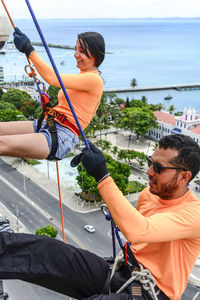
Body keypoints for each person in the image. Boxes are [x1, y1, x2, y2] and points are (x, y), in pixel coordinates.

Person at [0, 134, 199, 300]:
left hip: (148, 292)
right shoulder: (148, 195)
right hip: (123, 270)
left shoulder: (194, 214)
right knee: (44, 251)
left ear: (184, 177)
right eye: (150, 162)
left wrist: (102, 175)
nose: (148, 172)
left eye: (158, 168)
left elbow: (139, 231)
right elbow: (136, 232)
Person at [0, 27, 105, 160]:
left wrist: (29, 50)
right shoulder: (84, 78)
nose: (76, 54)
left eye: (82, 51)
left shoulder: (94, 79)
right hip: (49, 123)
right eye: (76, 49)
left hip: (62, 135)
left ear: (96, 55)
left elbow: (53, 78)